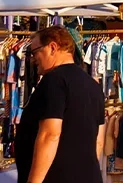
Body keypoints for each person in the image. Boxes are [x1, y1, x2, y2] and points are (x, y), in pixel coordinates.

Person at [17, 26, 105, 183]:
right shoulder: (93, 86)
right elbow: (98, 140)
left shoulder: (54, 81)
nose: (33, 58)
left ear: (52, 47)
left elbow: (50, 135)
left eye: (35, 52)